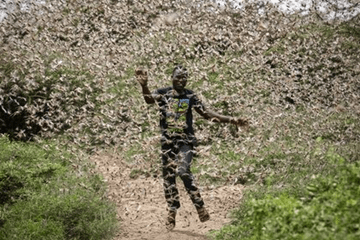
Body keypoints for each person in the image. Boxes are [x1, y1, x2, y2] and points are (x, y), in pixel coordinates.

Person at [135, 65, 248, 231]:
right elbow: (149, 99)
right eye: (178, 77)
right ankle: (172, 212)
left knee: (183, 171)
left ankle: (199, 206)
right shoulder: (164, 92)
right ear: (171, 77)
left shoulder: (190, 95)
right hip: (167, 143)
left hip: (185, 142)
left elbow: (208, 114)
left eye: (184, 77)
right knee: (169, 179)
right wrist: (144, 85)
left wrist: (232, 120)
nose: (181, 80)